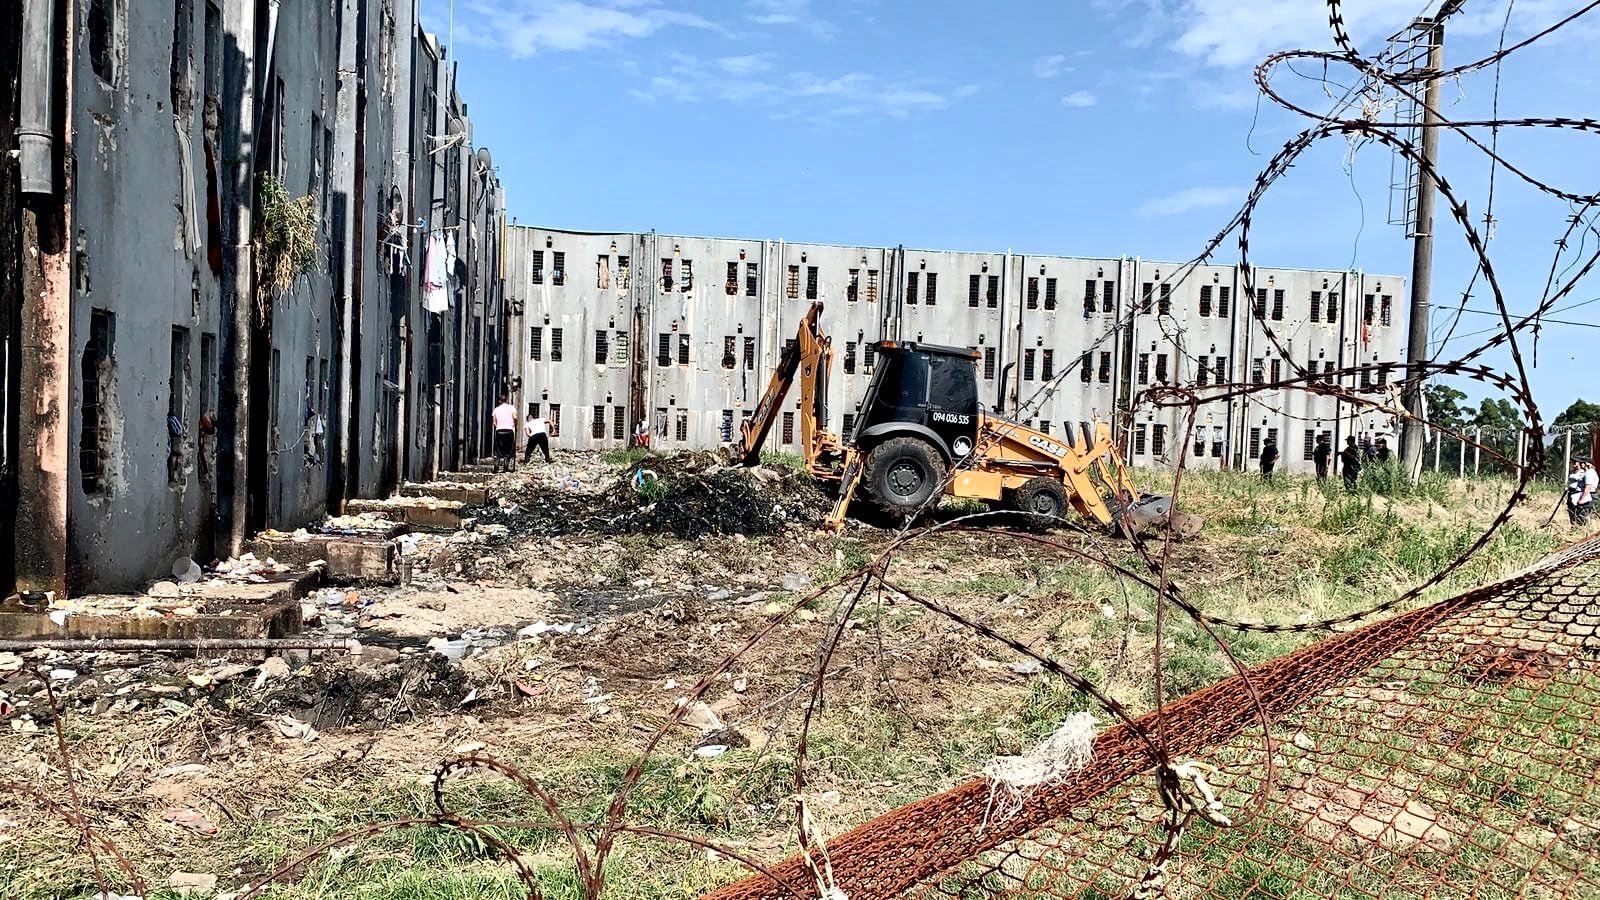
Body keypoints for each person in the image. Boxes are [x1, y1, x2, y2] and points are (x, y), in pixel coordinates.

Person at [490, 395, 517, 473]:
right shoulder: (512, 408)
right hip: (509, 430)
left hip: (499, 430)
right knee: (508, 448)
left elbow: (494, 423)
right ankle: (506, 465)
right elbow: (515, 417)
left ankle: (497, 465)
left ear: (499, 401)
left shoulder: (496, 409)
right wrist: (514, 424)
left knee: (498, 448)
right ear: (507, 400)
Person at [1569, 460, 1596, 527]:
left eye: (1582, 463)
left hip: (1586, 497)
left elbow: (1588, 487)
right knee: (1577, 515)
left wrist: (1582, 499)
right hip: (1581, 495)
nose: (1581, 465)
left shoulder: (1589, 473)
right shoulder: (1587, 472)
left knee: (1582, 517)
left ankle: (1582, 531)